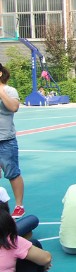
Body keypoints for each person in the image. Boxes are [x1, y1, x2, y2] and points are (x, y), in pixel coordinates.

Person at [0, 63, 25, 219]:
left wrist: (1, 92)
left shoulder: (10, 91)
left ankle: (19, 205)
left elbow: (14, 107)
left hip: (6, 140)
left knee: (12, 173)